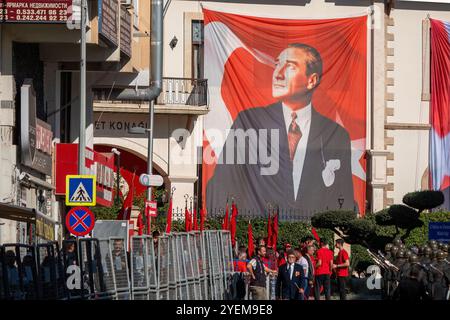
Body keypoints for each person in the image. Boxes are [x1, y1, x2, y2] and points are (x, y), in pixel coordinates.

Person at [206, 43, 354, 217]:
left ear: (311, 80)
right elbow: (222, 184)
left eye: (290, 66)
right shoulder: (250, 121)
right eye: (277, 65)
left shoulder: (336, 135)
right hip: (259, 230)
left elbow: (343, 199)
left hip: (314, 232)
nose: (278, 73)